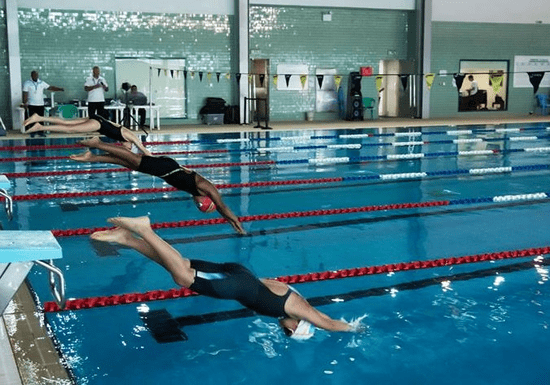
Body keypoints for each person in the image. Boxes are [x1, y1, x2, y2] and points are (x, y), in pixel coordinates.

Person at [91, 216, 357, 337]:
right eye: (289, 333)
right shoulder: (298, 308)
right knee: (183, 277)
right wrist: (356, 328)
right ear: (296, 327)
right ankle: (144, 230)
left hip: (239, 274)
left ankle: (129, 239)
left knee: (180, 265)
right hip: (236, 284)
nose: (283, 330)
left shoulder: (289, 301)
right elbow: (328, 322)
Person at [70, 137, 245, 234]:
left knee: (130, 164)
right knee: (132, 159)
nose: (197, 203)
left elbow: (219, 207)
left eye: (198, 206)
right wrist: (234, 221)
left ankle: (93, 156)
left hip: (164, 170)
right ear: (207, 199)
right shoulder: (206, 187)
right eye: (201, 204)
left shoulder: (195, 191)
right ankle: (98, 143)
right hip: (165, 167)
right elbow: (222, 206)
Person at [23, 113, 150, 155]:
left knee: (66, 123)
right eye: (128, 149)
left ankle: (39, 118)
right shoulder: (132, 137)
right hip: (98, 124)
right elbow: (143, 149)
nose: (125, 148)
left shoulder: (123, 137)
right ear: (131, 145)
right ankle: (40, 125)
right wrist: (153, 157)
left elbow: (113, 124)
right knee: (69, 129)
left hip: (99, 121)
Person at [21, 70, 64, 137]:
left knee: (40, 118)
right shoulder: (27, 83)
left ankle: (41, 132)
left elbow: (50, 87)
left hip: (40, 104)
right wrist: (24, 103)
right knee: (32, 119)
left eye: (37, 75)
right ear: (31, 75)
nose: (36, 76)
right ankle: (33, 132)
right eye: (34, 75)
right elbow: (25, 93)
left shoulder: (41, 83)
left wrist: (59, 89)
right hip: (31, 104)